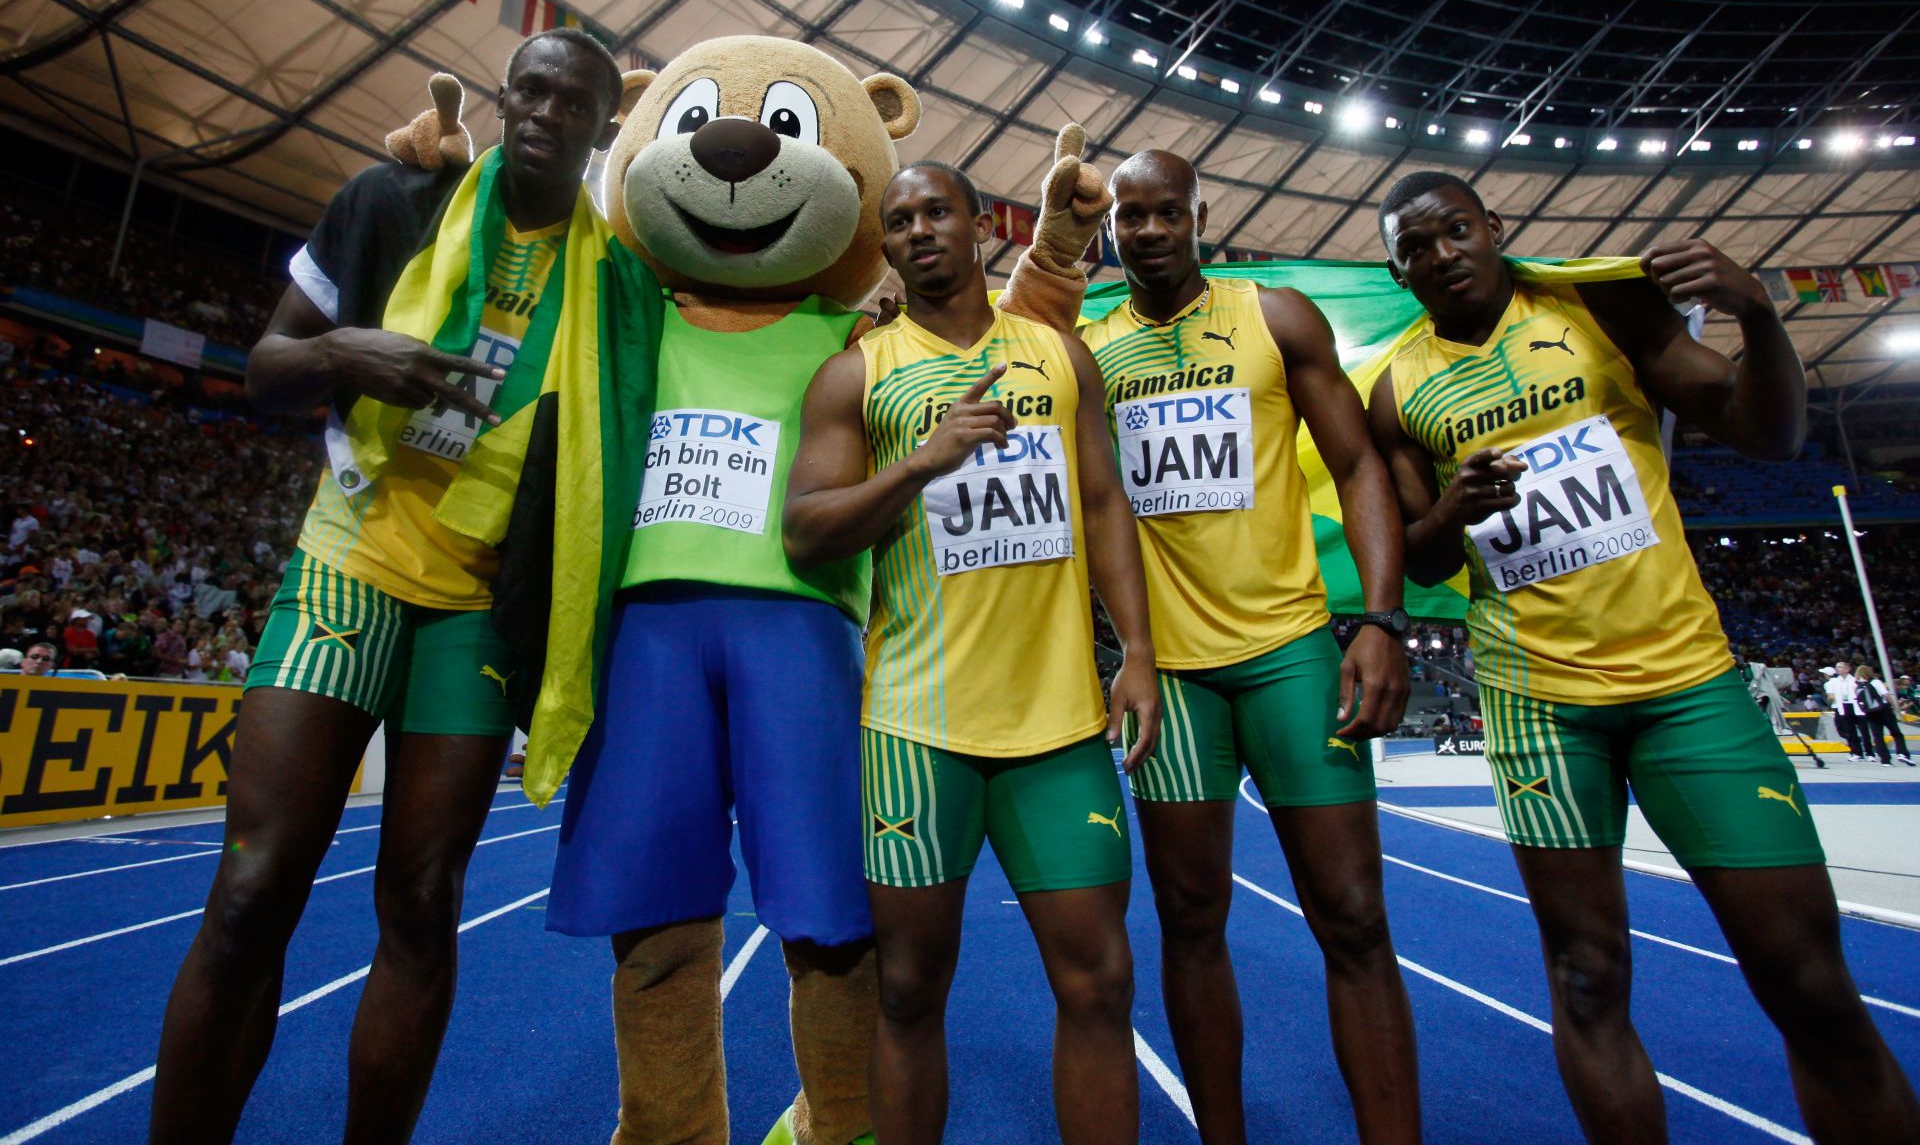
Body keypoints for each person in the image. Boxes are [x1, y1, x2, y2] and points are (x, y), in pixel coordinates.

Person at [1366, 169, 1920, 1142]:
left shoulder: (1601, 306)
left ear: (1497, 225)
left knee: (1810, 976)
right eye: (1415, 246)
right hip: (1538, 704)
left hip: (1684, 682)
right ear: (1398, 269)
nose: (1440, 253)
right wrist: (1455, 508)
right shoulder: (1398, 384)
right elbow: (1418, 553)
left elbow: (1770, 432)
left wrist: (1757, 314)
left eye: (1455, 229)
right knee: (1585, 979)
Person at [149, 28, 632, 1143]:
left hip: (472, 605)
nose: (547, 115)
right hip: (349, 562)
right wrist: (347, 354)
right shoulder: (396, 201)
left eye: (575, 104)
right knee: (252, 886)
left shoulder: (615, 281)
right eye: (532, 91)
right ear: (505, 99)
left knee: (421, 902)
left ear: (605, 127)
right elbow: (264, 367)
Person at [784, 161, 1160, 1144]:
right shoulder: (856, 371)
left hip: (1059, 725)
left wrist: (1141, 654)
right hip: (917, 726)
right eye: (898, 219)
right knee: (906, 988)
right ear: (887, 243)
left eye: (934, 211)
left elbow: (1105, 501)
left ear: (978, 225)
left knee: (1101, 978)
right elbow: (806, 529)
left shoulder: (1056, 352)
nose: (918, 230)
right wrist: (920, 461)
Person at [1079, 150, 1419, 1143]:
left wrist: (1381, 620)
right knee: (1190, 921)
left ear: (1199, 215)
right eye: (1128, 217)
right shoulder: (1093, 353)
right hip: (1173, 676)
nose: (1146, 230)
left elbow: (1357, 463)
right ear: (1111, 231)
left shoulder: (1275, 315)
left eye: (1165, 212)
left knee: (1353, 915)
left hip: (1289, 654)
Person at [1857, 664, 1911, 766]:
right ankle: (1902, 753)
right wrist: (1896, 707)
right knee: (1896, 733)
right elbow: (1886, 694)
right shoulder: (1875, 681)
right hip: (1883, 710)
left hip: (1870, 712)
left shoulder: (1859, 685)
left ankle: (1885, 760)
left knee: (1878, 737)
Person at [1824, 660, 1870, 761]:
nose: (1837, 669)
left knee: (1864, 730)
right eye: (1837, 667)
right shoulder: (1835, 681)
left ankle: (1869, 753)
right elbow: (1831, 695)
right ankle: (1857, 752)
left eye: (1840, 667)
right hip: (1844, 707)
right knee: (1850, 731)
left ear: (1847, 669)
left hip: (1857, 706)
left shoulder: (1855, 680)